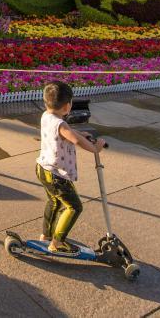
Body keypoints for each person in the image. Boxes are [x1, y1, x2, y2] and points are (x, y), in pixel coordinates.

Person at [36, 81, 106, 254]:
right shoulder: (62, 125)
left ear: (47, 102)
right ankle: (57, 243)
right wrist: (96, 148)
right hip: (57, 176)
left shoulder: (46, 115)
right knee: (74, 207)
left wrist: (80, 133)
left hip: (42, 168)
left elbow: (66, 133)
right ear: (67, 106)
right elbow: (75, 140)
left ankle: (46, 235)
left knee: (54, 202)